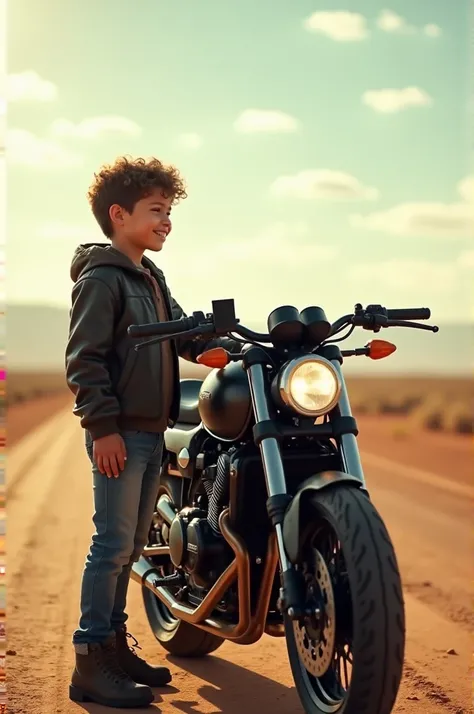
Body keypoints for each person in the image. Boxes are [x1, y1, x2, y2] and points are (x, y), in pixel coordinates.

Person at [65, 156, 240, 708]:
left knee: (132, 546)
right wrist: (103, 429)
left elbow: (183, 336)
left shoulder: (151, 277)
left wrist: (229, 348)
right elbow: (84, 361)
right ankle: (91, 661)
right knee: (112, 545)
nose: (167, 221)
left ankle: (115, 649)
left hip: (149, 431)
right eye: (157, 211)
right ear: (119, 215)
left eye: (169, 211)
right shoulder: (102, 279)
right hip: (120, 434)